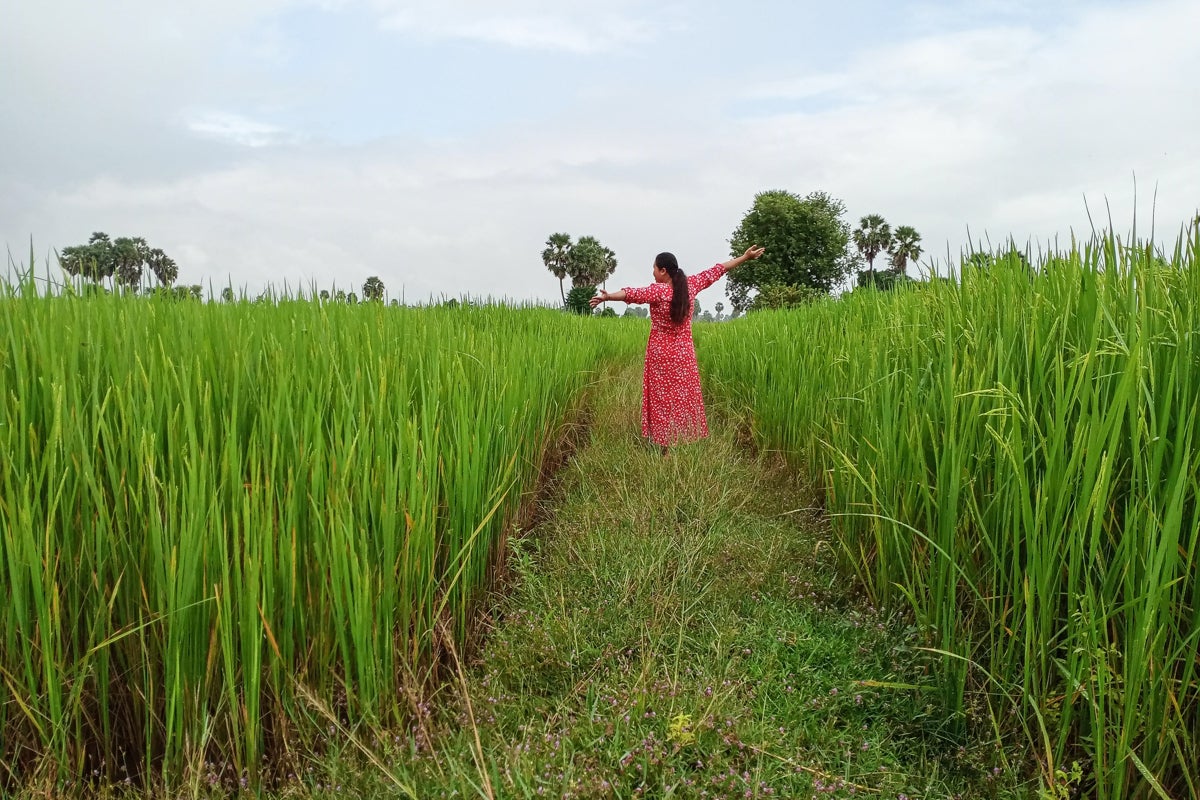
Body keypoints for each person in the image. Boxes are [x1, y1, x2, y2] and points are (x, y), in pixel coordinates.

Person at [590, 245, 765, 452]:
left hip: (660, 354)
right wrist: (745, 257)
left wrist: (607, 297)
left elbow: (632, 293)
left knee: (662, 398)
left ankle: (665, 446)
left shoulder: (659, 291)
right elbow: (718, 269)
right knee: (682, 397)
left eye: (654, 268)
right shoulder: (691, 285)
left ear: (663, 271)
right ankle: (680, 438)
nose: (653, 272)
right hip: (684, 354)